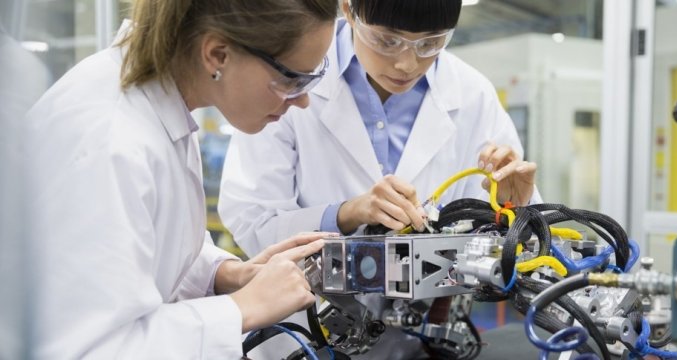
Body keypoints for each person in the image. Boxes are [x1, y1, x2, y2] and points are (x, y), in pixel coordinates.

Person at [219, 0, 541, 358]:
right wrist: (347, 213)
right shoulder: (294, 75)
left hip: (423, 342)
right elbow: (252, 220)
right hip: (306, 334)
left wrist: (516, 205)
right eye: (387, 41)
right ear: (349, 9)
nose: (407, 63)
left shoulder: (473, 95)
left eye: (430, 43)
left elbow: (513, 252)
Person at [23, 0, 337, 358]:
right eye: (290, 79)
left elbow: (144, 247)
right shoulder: (109, 141)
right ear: (217, 55)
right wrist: (240, 309)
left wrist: (229, 274)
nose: (303, 102)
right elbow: (90, 348)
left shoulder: (159, 105)